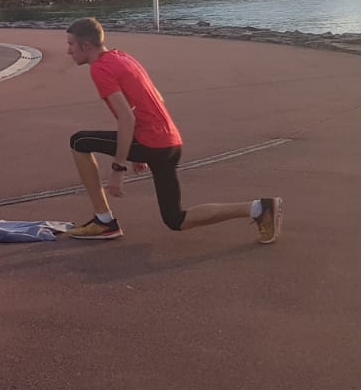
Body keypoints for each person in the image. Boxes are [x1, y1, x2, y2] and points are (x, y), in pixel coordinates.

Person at [63, 17, 282, 243]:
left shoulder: (100, 69)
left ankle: (103, 221)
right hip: (169, 142)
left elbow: (127, 117)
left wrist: (118, 168)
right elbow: (154, 98)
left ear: (85, 46)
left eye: (71, 44)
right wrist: (136, 152)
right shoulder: (122, 57)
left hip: (151, 142)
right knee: (175, 219)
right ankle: (259, 208)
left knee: (79, 142)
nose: (68, 51)